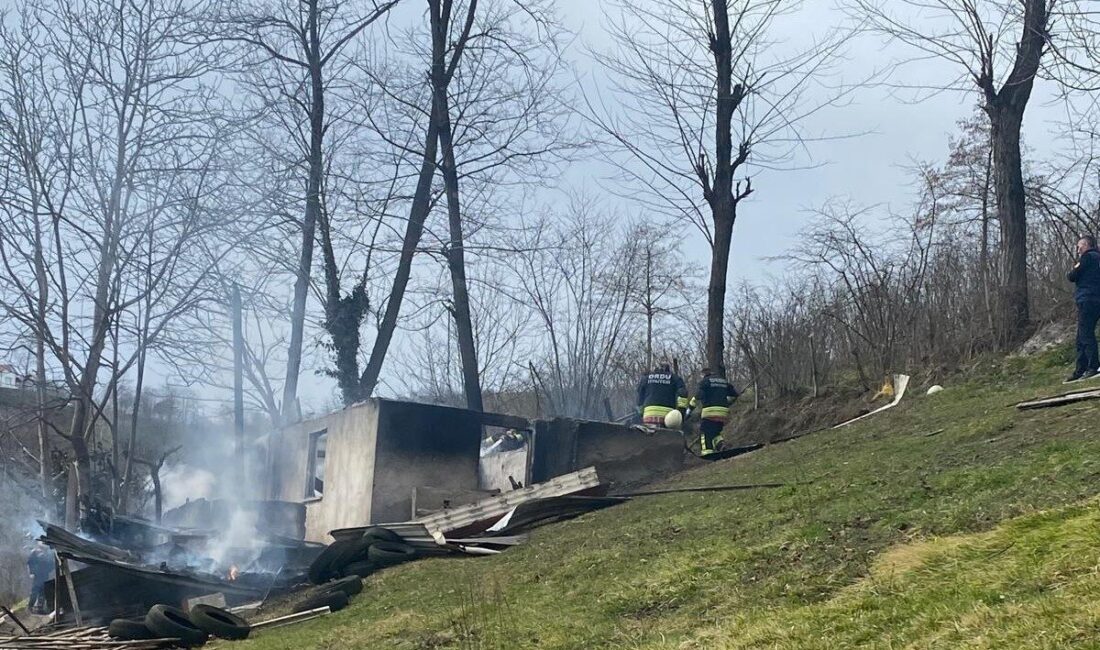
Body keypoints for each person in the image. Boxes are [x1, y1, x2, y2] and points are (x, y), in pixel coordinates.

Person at [1066, 234, 1100, 383]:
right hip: (1096, 299)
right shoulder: (1098, 258)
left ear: (1086, 245)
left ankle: (1093, 367)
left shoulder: (1087, 258)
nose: (1078, 249)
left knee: (1085, 335)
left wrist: (1075, 268)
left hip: (1087, 299)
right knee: (1081, 336)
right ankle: (1080, 370)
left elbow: (1072, 276)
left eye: (1080, 246)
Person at [688, 366, 739, 456]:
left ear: (704, 374)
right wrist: (726, 403)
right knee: (715, 432)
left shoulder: (705, 382)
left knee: (705, 432)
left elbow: (697, 397)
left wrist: (689, 410)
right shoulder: (723, 381)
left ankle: (707, 453)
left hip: (710, 412)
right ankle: (722, 446)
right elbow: (734, 395)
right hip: (723, 413)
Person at [636, 362, 688, 426]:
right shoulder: (674, 378)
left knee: (647, 434)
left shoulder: (646, 378)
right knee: (667, 435)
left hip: (648, 416)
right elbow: (683, 393)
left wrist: (641, 413)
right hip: (669, 417)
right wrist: (681, 414)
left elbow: (640, 397)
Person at [26, 540, 53, 615]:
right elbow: (29, 563)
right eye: (41, 542)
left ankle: (39, 608)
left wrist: (50, 570)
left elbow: (51, 563)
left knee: (43, 592)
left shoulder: (48, 553)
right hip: (37, 575)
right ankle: (30, 607)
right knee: (35, 591)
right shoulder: (34, 552)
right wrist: (31, 573)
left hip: (45, 575)